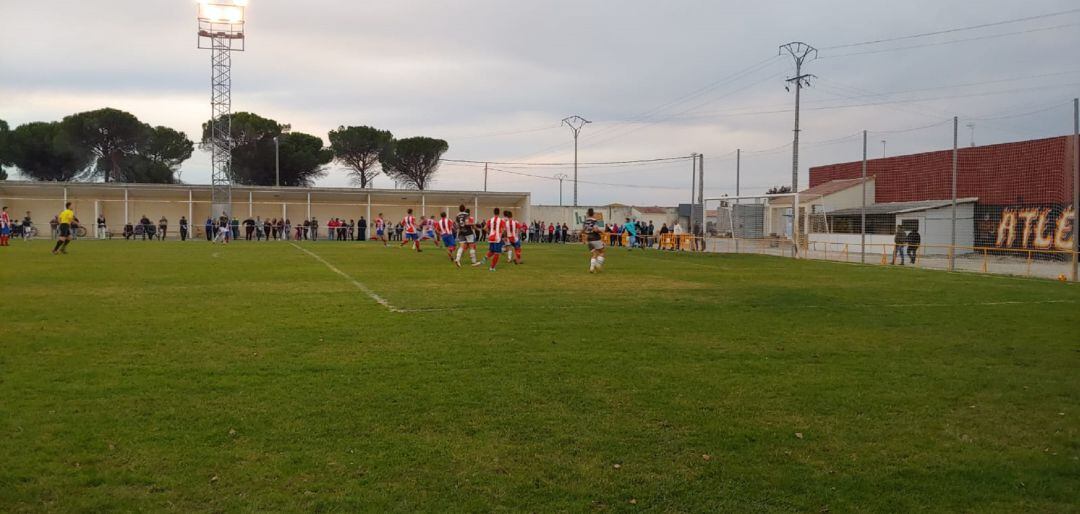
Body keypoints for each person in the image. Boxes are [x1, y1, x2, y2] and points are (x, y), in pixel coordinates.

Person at [583, 208, 605, 273]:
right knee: (602, 252)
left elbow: (584, 230)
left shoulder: (585, 221)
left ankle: (592, 268)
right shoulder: (594, 220)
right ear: (593, 213)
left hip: (588, 238)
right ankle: (597, 265)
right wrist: (602, 232)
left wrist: (582, 236)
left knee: (594, 254)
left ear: (587, 213)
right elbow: (595, 229)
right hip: (595, 237)